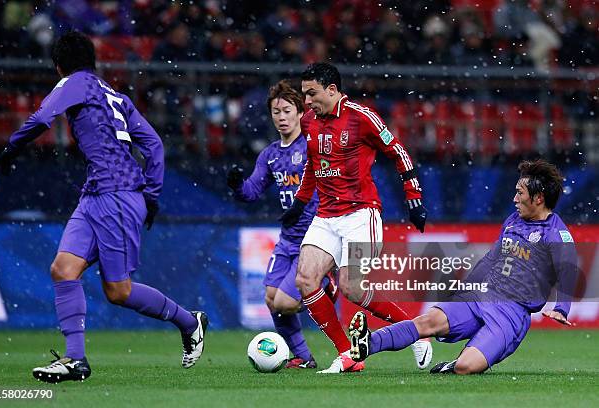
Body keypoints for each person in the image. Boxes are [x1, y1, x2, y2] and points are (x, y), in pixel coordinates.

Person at [0, 31, 208, 383]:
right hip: (97, 193)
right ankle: (75, 359)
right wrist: (151, 196)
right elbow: (154, 145)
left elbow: (42, 118)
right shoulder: (117, 96)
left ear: (58, 65)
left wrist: (11, 148)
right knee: (63, 269)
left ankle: (189, 321)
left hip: (117, 194)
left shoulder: (74, 83)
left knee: (118, 291)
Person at [348, 159, 577, 374]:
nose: (514, 199)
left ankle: (455, 364)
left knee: (466, 367)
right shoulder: (513, 221)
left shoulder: (557, 234)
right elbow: (491, 259)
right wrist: (465, 289)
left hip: (512, 312)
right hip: (482, 295)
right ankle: (369, 342)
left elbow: (568, 270)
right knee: (428, 321)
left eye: (520, 193)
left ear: (538, 198)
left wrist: (561, 308)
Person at [280, 62, 431, 373]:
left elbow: (398, 152)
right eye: (304, 94)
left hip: (362, 214)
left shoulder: (361, 117)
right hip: (325, 215)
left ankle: (415, 330)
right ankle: (347, 355)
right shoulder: (309, 122)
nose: (306, 102)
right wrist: (300, 202)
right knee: (305, 279)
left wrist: (414, 199)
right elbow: (313, 165)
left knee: (351, 287)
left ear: (332, 90)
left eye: (312, 93)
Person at [227, 80, 334, 369]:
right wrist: (237, 185)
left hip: (314, 238)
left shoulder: (312, 147)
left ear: (301, 112)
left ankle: (327, 283)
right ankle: (303, 357)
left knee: (287, 302)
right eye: (276, 112)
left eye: (287, 111)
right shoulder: (270, 154)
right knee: (272, 299)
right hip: (288, 239)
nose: (282, 117)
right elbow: (251, 192)